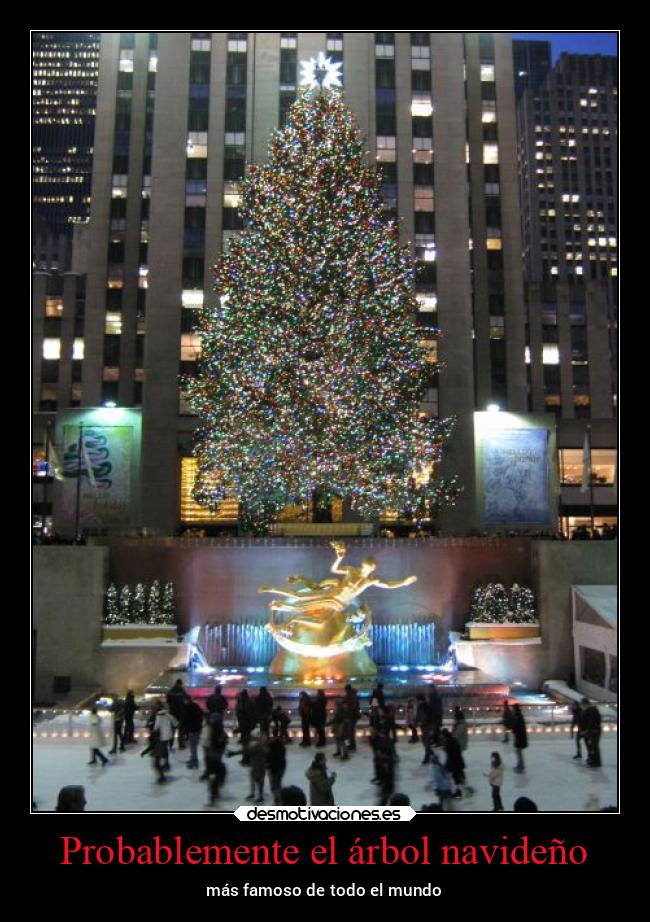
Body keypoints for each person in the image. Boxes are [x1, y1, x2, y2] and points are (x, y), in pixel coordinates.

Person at [441, 728, 465, 795]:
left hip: (455, 763)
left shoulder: (449, 742)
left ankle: (458, 791)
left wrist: (447, 765)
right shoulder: (452, 740)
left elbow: (450, 755)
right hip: (457, 762)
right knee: (457, 776)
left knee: (456, 777)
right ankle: (458, 789)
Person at [166, 679, 188, 750]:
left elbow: (168, 701)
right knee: (181, 729)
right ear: (180, 684)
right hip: (181, 713)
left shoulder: (171, 691)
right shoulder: (182, 691)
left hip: (172, 712)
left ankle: (170, 744)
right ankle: (181, 744)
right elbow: (186, 700)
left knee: (172, 729)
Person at [184, 697, 205, 769]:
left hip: (191, 729)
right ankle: (193, 759)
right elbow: (201, 714)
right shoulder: (196, 705)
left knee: (193, 747)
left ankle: (194, 762)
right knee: (194, 746)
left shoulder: (187, 707)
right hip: (198, 728)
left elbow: (185, 719)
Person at [267, 734, 287, 803]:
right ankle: (278, 797)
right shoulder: (280, 748)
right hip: (278, 768)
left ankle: (278, 798)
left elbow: (272, 759)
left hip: (274, 769)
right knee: (276, 784)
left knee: (275, 784)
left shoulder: (273, 749)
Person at [582, 699, 602, 768]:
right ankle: (592, 759)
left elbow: (596, 720)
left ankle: (597, 762)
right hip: (591, 731)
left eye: (584, 704)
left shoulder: (593, 710)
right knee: (591, 746)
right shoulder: (586, 711)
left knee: (594, 746)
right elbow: (586, 722)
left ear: (587, 704)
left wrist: (595, 728)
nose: (583, 706)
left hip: (595, 731)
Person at [343, 683, 361, 752]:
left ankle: (352, 746)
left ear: (347, 690)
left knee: (351, 731)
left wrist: (346, 709)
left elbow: (352, 707)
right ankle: (352, 745)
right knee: (350, 731)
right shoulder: (351, 695)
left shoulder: (352, 696)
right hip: (353, 715)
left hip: (352, 716)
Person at [511, 704, 528, 773]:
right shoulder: (519, 716)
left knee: (519, 753)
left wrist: (513, 729)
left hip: (519, 738)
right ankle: (520, 765)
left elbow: (517, 728)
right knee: (519, 752)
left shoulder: (517, 717)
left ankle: (520, 766)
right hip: (520, 738)